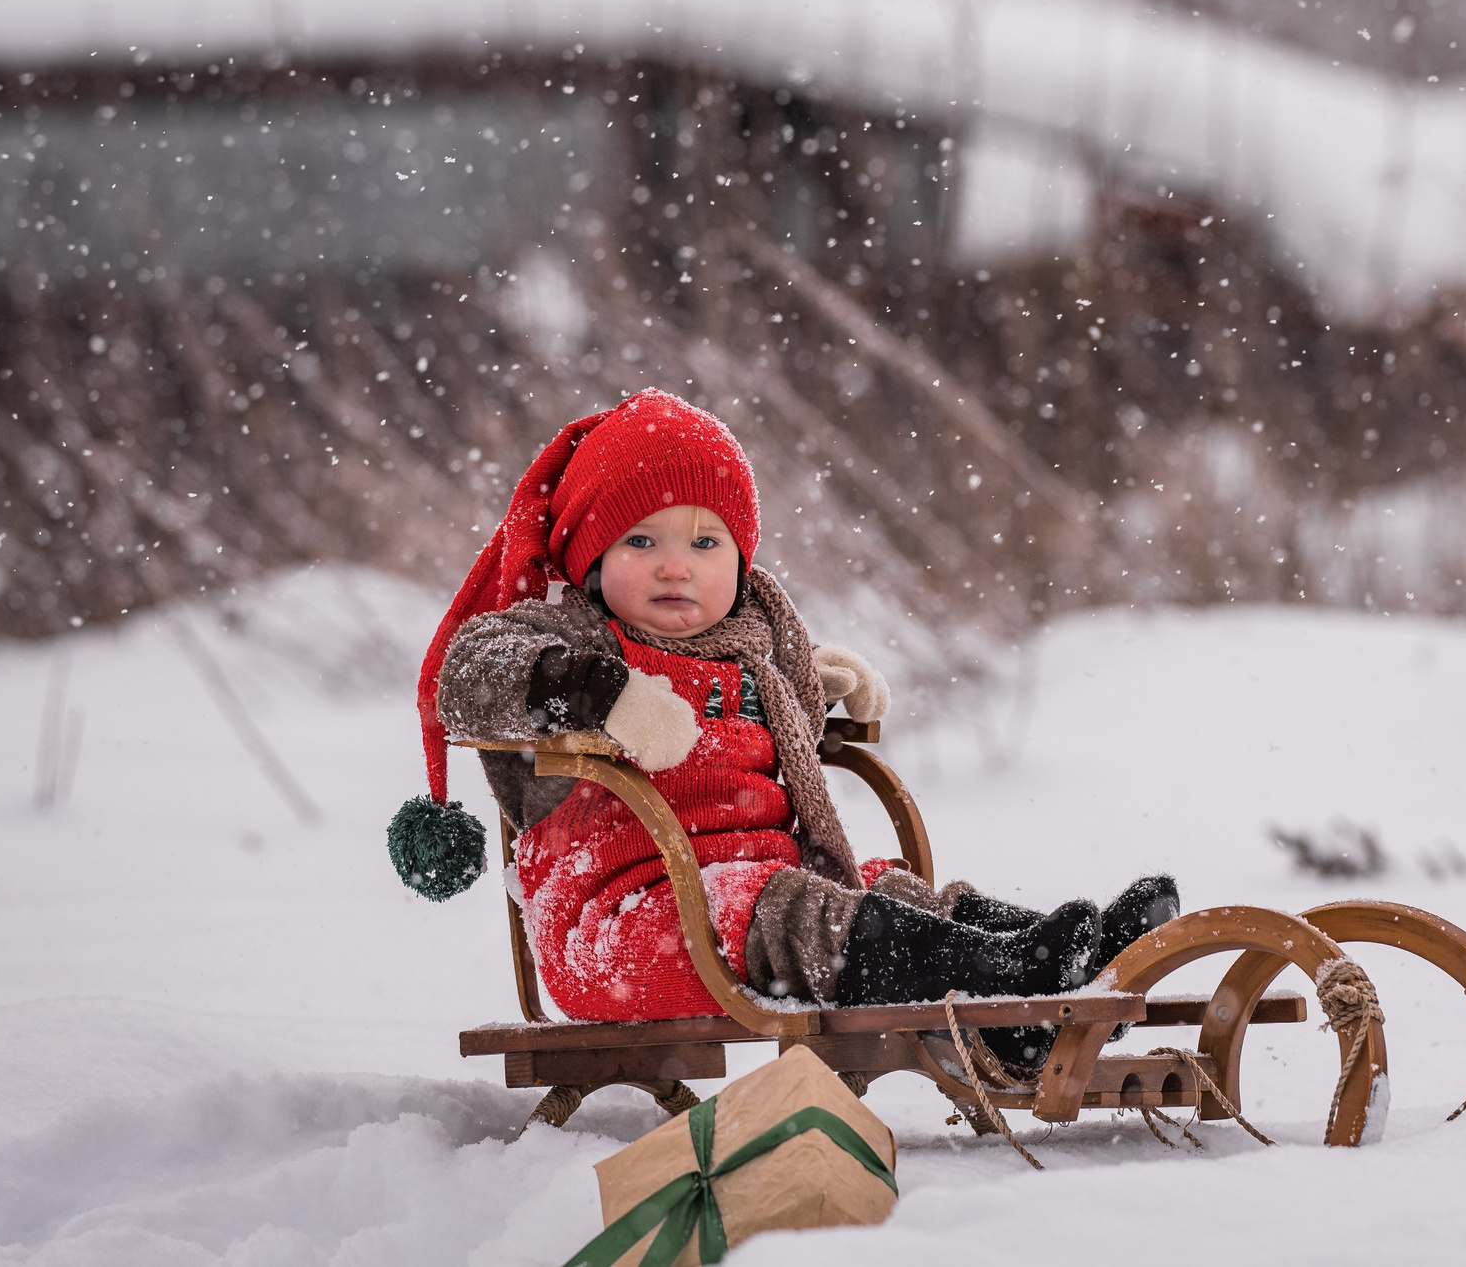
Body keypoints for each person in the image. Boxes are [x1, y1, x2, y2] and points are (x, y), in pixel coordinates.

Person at [392, 389, 1175, 1067]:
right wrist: (597, 694)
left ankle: (1049, 959)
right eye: (642, 541)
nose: (677, 566)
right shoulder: (578, 633)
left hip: (747, 895)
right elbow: (471, 671)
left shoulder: (751, 645)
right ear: (591, 555)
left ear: (739, 558)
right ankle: (1006, 980)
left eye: (705, 543)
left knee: (874, 883)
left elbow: (753, 718)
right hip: (623, 928)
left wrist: (817, 684)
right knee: (791, 908)